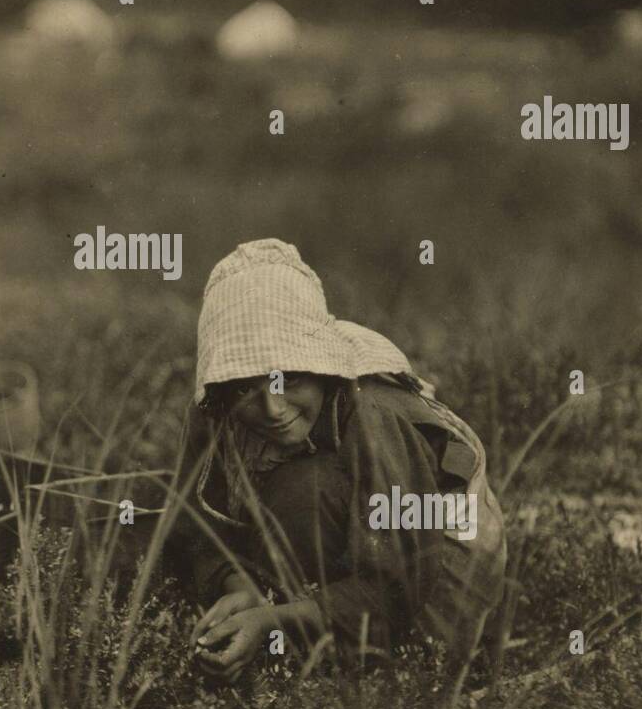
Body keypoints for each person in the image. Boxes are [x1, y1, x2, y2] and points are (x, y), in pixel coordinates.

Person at [172, 239, 506, 683]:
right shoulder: (214, 408)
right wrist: (238, 586)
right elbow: (193, 519)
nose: (273, 409)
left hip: (432, 579)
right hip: (338, 552)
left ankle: (335, 664)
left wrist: (273, 621)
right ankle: (292, 628)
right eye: (245, 389)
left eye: (288, 379)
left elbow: (397, 588)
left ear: (322, 368)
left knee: (302, 492)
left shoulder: (374, 412)